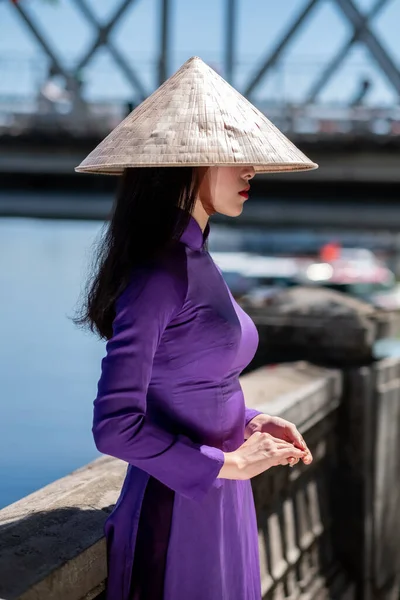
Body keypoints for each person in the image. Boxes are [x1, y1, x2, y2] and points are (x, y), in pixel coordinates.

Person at [74, 57, 317, 600]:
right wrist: (227, 462)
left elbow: (189, 383)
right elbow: (114, 425)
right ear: (183, 163)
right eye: (233, 155)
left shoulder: (197, 260)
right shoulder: (160, 273)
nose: (250, 167)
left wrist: (251, 420)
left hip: (222, 495)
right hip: (176, 508)